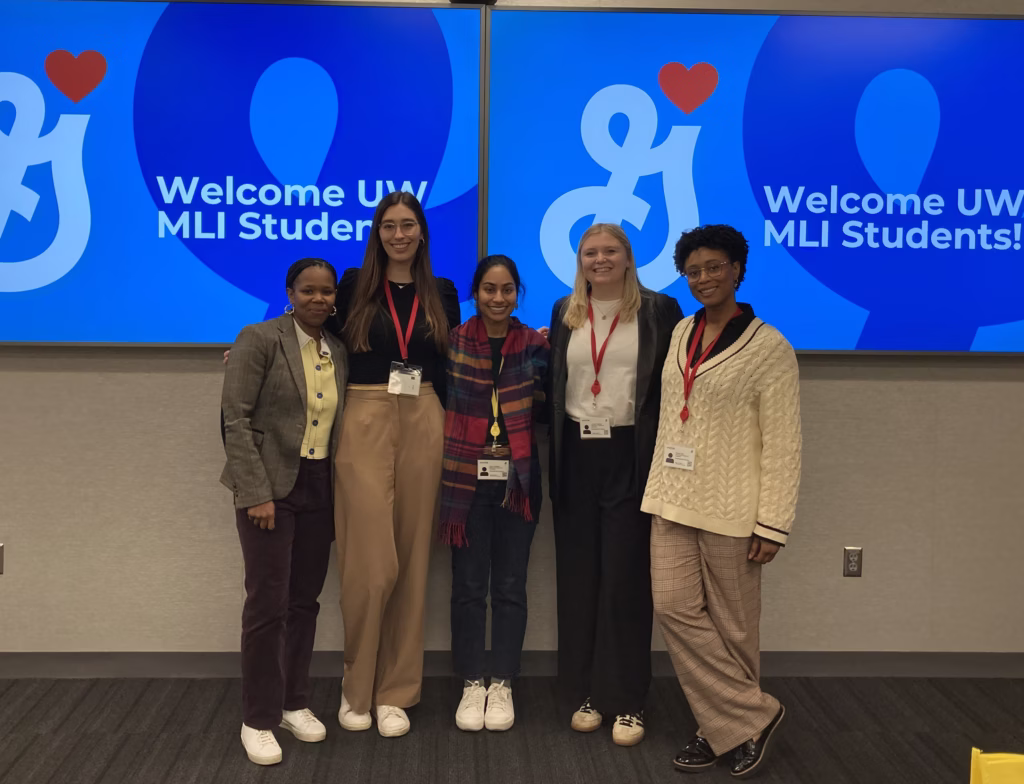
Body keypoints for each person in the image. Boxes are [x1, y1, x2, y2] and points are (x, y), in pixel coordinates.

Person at [641, 225, 801, 779]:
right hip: (671, 498)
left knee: (734, 628)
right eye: (693, 270)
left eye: (714, 267)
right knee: (673, 607)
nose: (703, 278)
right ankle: (754, 716)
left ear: (737, 270)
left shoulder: (770, 347)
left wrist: (773, 522)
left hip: (734, 509)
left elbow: (784, 442)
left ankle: (721, 729)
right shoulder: (681, 331)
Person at [547, 223, 683, 746]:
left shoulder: (659, 310)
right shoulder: (565, 311)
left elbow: (672, 388)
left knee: (626, 578)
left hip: (632, 455)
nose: (599, 259)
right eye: (590, 252)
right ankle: (582, 692)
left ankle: (627, 699)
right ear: (579, 260)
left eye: (610, 251)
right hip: (576, 455)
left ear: (628, 258)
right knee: (578, 578)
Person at [332, 191, 461, 738]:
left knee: (411, 560)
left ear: (422, 232)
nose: (399, 234)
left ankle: (396, 692)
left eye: (408, 224)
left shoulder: (443, 292)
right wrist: (263, 351)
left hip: (425, 417)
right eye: (389, 225)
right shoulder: (352, 285)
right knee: (369, 564)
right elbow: (314, 334)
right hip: (363, 415)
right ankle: (356, 686)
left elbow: (455, 362)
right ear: (377, 232)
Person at [220, 258, 347, 766]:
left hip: (320, 486)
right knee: (267, 605)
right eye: (308, 290)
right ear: (290, 293)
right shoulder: (258, 338)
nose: (318, 299)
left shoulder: (337, 348)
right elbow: (235, 418)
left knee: (303, 603)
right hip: (269, 488)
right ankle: (258, 717)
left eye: (326, 291)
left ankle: (294, 703)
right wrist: (255, 492)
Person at [439, 255, 550, 733]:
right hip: (464, 479)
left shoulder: (537, 345)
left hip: (518, 481)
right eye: (489, 289)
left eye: (507, 289)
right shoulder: (453, 343)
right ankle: (471, 681)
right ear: (475, 293)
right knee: (467, 587)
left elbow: (554, 405)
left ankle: (502, 681)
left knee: (509, 586)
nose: (498, 298)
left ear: (517, 294)